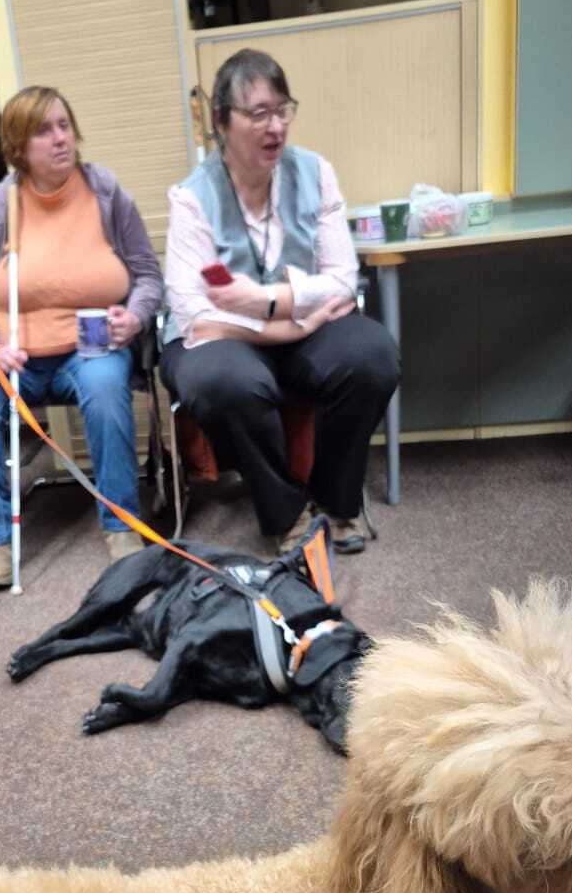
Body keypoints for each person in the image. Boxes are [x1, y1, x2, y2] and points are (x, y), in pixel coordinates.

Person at [162, 48, 399, 554]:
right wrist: (290, 324)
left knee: (371, 355)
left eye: (282, 110)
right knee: (223, 379)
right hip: (229, 340)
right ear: (222, 122)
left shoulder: (314, 172)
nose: (275, 127)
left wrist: (267, 300)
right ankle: (285, 512)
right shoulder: (191, 197)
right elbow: (195, 315)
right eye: (258, 114)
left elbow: (342, 278)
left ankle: (336, 499)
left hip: (288, 325)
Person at [0, 86, 163, 591]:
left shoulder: (105, 194)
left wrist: (134, 317)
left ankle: (121, 525)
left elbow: (149, 275)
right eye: (44, 131)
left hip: (89, 345)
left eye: (64, 125)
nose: (60, 138)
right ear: (19, 146)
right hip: (11, 350)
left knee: (106, 388)